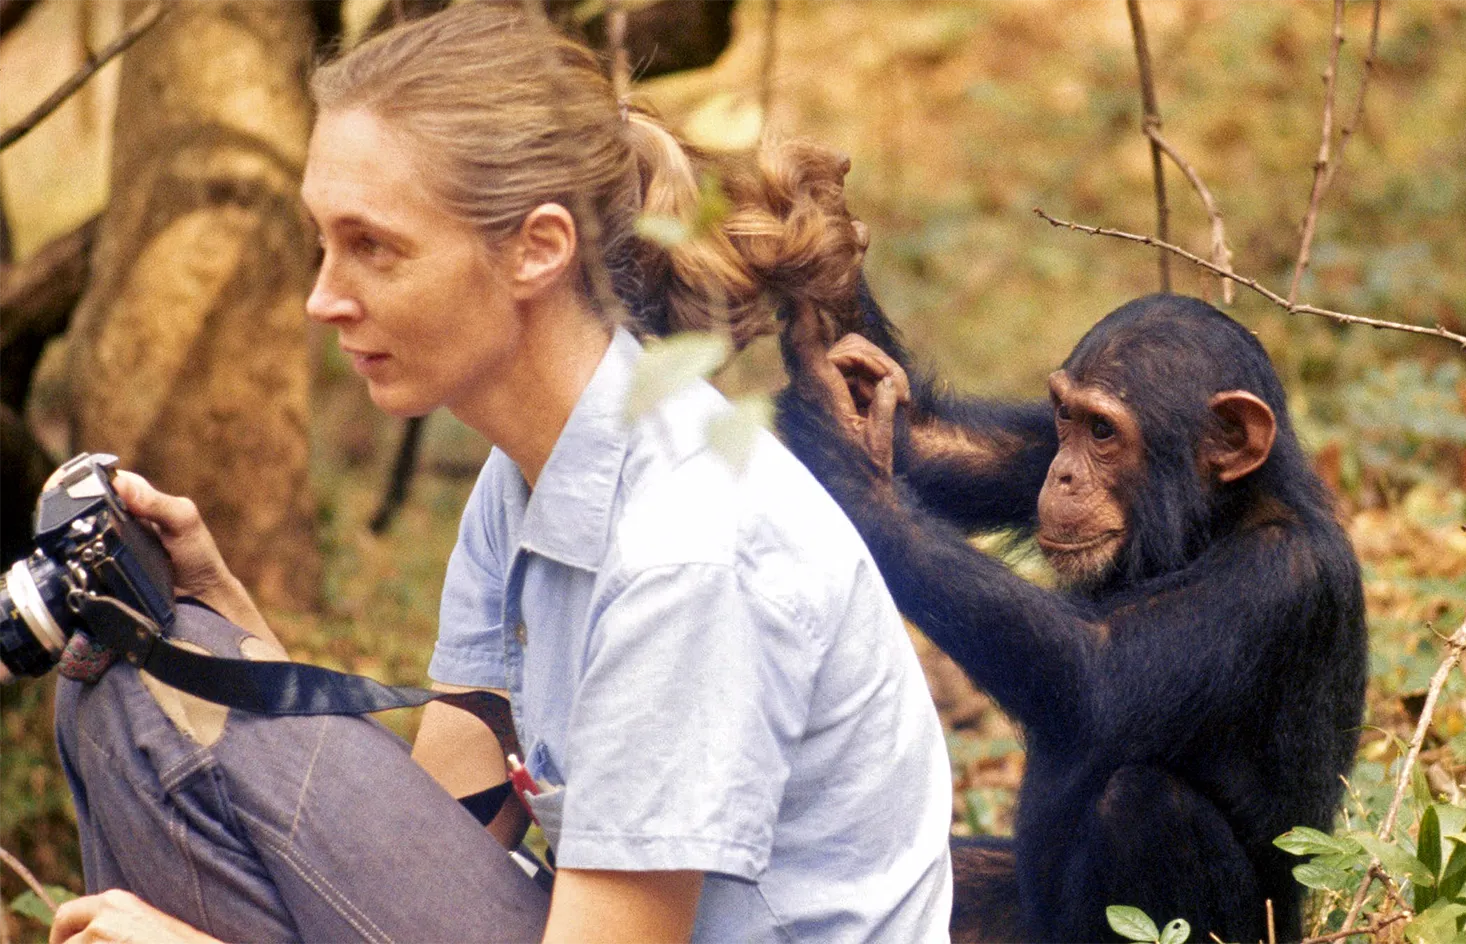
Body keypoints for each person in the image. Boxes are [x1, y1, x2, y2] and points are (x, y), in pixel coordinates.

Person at [48, 4, 954, 943]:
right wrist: (232, 629)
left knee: (156, 713)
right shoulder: (530, 471)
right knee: (139, 665)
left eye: (373, 247)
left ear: (536, 248)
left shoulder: (687, 554)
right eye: (322, 240)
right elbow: (435, 843)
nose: (323, 297)